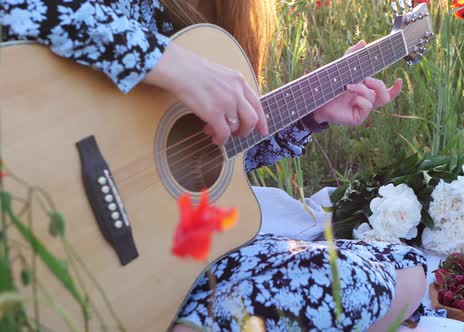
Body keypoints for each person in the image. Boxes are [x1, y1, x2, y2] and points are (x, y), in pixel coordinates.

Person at [1, 1, 433, 331]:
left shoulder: (224, 19)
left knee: (403, 270)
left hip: (144, 258)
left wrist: (309, 116)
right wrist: (170, 63)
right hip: (31, 179)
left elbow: (202, 164)